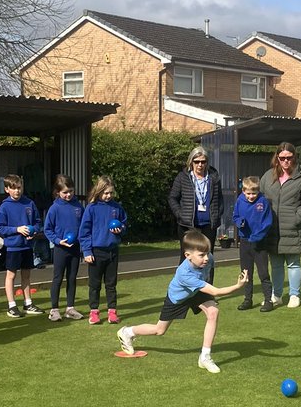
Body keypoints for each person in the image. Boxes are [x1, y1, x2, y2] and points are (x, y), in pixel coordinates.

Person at [117, 229, 248, 373]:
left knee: (213, 312)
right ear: (187, 256)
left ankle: (205, 357)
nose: (206, 258)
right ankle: (127, 332)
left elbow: (206, 276)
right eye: (201, 255)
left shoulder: (209, 258)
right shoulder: (184, 274)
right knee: (159, 330)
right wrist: (238, 286)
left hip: (196, 291)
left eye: (207, 253)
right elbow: (216, 291)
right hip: (178, 298)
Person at [259, 143, 301, 309]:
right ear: (277, 158)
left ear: (294, 157)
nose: (285, 161)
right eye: (282, 158)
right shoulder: (268, 176)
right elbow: (259, 199)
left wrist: (296, 218)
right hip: (272, 229)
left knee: (293, 263)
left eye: (289, 158)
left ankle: (294, 295)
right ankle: (277, 296)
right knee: (275, 264)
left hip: (294, 229)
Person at [168, 146, 224, 283]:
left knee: (208, 259)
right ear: (191, 162)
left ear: (207, 162)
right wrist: (180, 214)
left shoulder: (214, 177)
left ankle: (207, 293)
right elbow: (172, 198)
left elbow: (220, 199)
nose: (200, 165)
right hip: (187, 226)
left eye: (203, 161)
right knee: (186, 258)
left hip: (208, 226)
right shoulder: (182, 177)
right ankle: (184, 290)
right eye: (197, 161)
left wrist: (216, 216)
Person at [80, 176, 128, 325]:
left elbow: (124, 225)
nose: (108, 196)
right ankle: (94, 312)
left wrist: (120, 229)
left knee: (111, 284)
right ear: (99, 191)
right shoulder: (91, 208)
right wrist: (87, 251)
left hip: (112, 251)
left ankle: (112, 311)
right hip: (96, 252)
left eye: (111, 193)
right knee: (94, 284)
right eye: (105, 193)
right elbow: (84, 231)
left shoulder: (117, 207)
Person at [0, 174, 43, 317]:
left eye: (19, 187)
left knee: (26, 275)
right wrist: (17, 229)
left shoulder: (29, 203)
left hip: (27, 246)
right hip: (13, 247)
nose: (17, 191)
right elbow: (0, 228)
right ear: (7, 189)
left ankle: (28, 303)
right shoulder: (4, 207)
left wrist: (33, 232)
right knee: (11, 275)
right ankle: (11, 305)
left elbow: (37, 223)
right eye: (13, 188)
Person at [44, 175, 85, 322]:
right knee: (58, 278)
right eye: (65, 192)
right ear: (57, 192)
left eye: (71, 191)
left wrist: (80, 241)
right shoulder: (54, 208)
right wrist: (58, 241)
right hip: (60, 249)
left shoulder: (79, 207)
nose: (68, 195)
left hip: (75, 249)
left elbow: (84, 226)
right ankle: (54, 310)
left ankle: (70, 309)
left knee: (72, 278)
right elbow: (47, 229)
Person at [231, 176, 273, 311]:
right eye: (248, 193)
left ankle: (268, 300)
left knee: (263, 273)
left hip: (259, 243)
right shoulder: (239, 201)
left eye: (254, 193)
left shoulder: (263, 202)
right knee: (245, 273)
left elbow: (267, 223)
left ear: (258, 191)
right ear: (243, 191)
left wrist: (257, 236)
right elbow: (235, 216)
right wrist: (239, 223)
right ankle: (247, 300)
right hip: (244, 242)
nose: (251, 196)